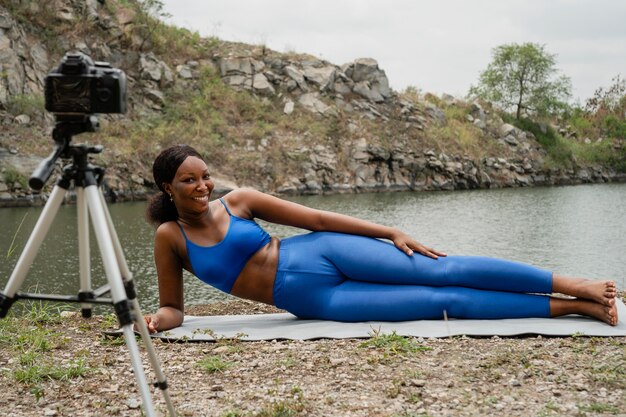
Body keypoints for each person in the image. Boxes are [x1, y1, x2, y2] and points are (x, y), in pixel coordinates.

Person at [142, 144, 619, 332]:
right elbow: (173, 309)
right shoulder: (171, 236)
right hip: (315, 297)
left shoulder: (239, 200)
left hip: (321, 251)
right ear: (168, 187)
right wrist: (154, 321)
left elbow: (318, 218)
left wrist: (390, 230)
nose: (203, 186)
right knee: (443, 301)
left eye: (205, 175)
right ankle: (575, 307)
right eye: (189, 181)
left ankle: (576, 284)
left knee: (444, 267)